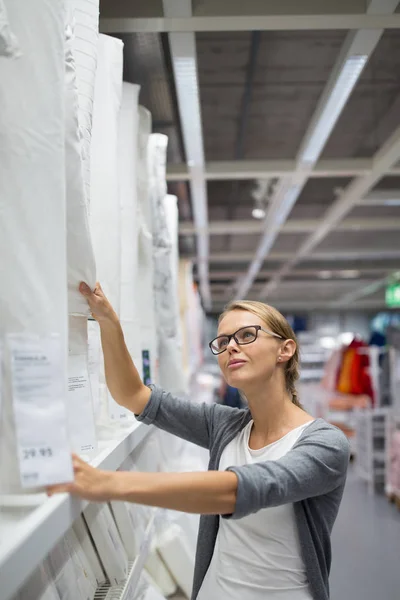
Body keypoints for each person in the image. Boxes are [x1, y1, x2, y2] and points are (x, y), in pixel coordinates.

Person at [48, 282, 350, 600]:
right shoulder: (225, 425)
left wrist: (109, 484)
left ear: (284, 350)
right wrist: (108, 321)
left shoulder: (326, 445)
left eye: (246, 335)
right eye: (223, 341)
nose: (231, 346)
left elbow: (247, 488)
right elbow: (134, 395)